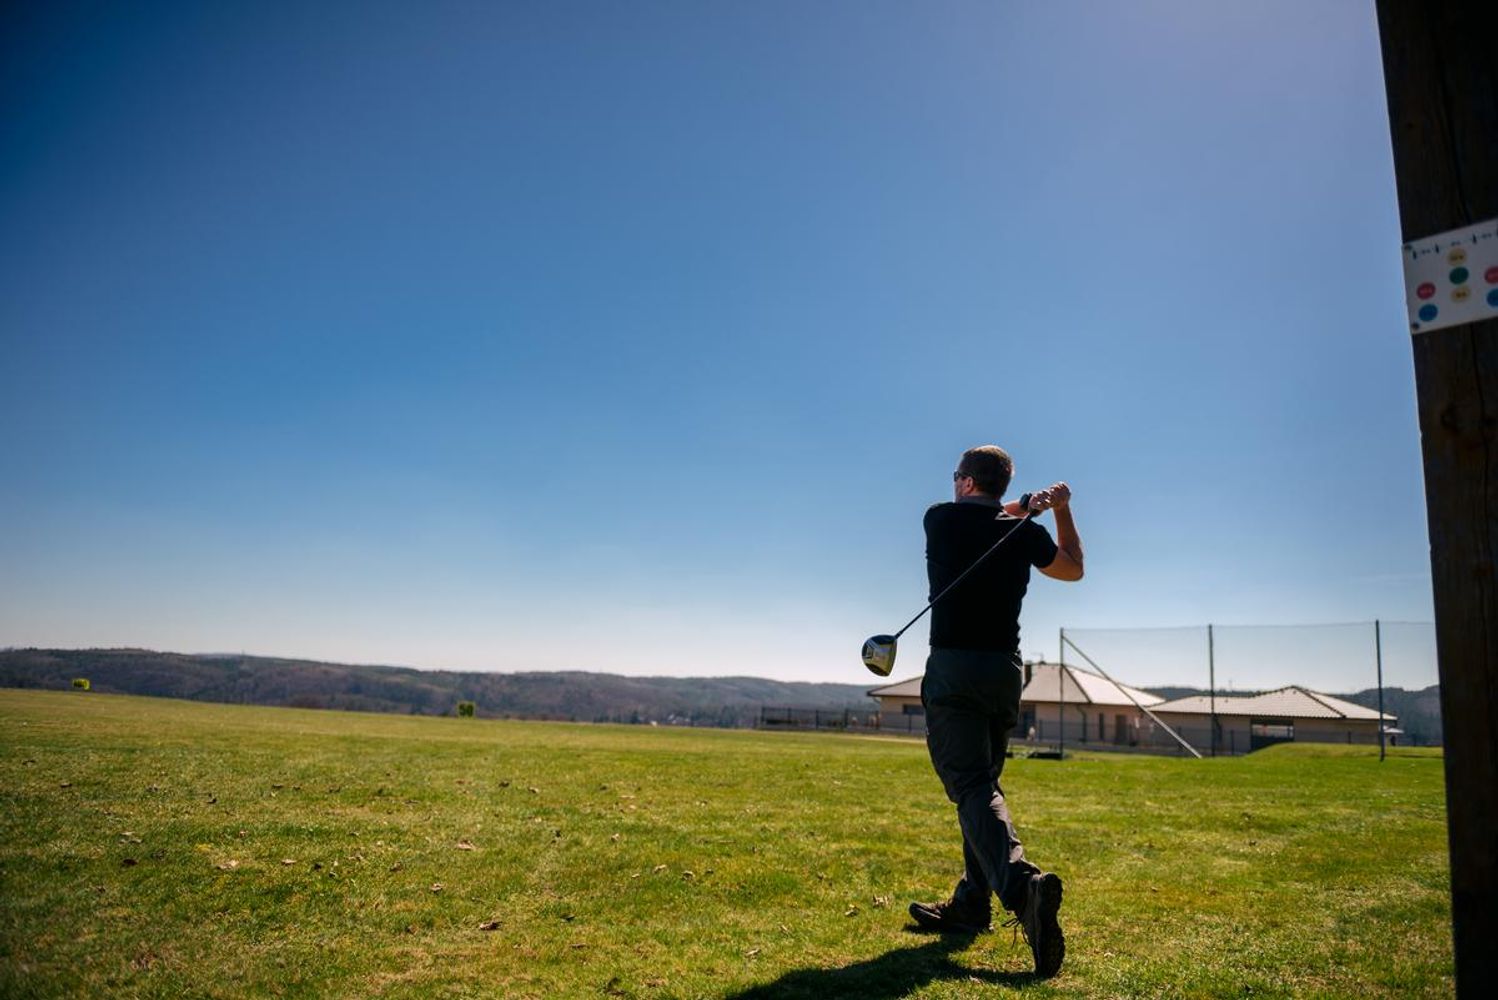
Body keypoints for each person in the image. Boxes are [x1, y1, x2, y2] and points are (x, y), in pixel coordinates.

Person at [907, 444, 1084, 980]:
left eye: (956, 476)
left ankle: (1023, 889)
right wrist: (1057, 510)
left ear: (965, 482)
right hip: (1004, 672)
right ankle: (970, 904)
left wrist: (1027, 506)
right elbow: (1073, 570)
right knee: (982, 787)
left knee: (970, 786)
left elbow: (985, 514)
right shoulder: (1023, 531)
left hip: (954, 669)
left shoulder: (939, 519)